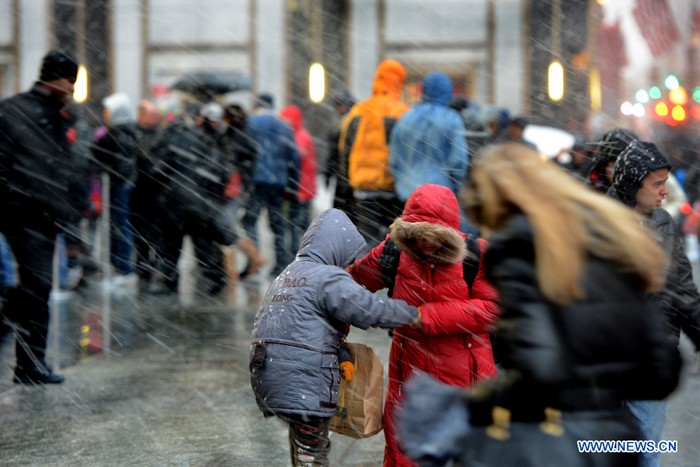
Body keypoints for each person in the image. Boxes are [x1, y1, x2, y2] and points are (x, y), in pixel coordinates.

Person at [440, 143, 681, 466]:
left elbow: (541, 365)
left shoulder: (519, 247)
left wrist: (477, 406)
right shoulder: (605, 233)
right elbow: (661, 368)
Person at [249, 208, 421, 467]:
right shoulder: (328, 277)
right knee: (312, 450)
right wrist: (414, 313)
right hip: (301, 376)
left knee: (303, 438)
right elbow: (368, 310)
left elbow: (301, 325)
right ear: (338, 248)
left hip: (268, 372)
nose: (347, 263)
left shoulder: (289, 273)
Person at [348, 183, 500, 467]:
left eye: (432, 237)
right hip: (408, 375)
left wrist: (425, 316)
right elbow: (352, 283)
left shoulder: (476, 255)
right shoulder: (393, 252)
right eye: (416, 237)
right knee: (401, 450)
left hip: (466, 379)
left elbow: (493, 309)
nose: (424, 245)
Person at [607, 140, 700, 467]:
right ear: (634, 183)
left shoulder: (664, 223)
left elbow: (683, 289)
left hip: (650, 361)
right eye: (657, 183)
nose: (665, 191)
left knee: (646, 453)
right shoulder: (595, 223)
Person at [0, 49, 87, 384]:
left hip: (41, 215)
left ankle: (31, 360)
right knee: (37, 288)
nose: (71, 91)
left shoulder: (56, 116)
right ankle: (30, 363)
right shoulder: (20, 112)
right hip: (26, 214)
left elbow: (64, 168)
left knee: (37, 288)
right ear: (62, 80)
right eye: (70, 83)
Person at [388, 71, 472, 235]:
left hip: (408, 196)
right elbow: (458, 161)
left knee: (409, 247)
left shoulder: (406, 117)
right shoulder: (451, 118)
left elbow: (393, 160)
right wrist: (455, 186)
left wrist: (402, 183)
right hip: (441, 197)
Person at [339, 59, 410, 248]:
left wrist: (345, 183)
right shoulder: (402, 112)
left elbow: (345, 149)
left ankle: (366, 274)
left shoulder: (358, 110)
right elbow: (405, 153)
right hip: (392, 188)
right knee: (392, 243)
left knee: (367, 241)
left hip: (363, 189)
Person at [241, 92, 300, 276]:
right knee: (278, 224)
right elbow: (294, 157)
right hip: (278, 182)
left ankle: (254, 262)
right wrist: (293, 183)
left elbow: (243, 154)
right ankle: (280, 264)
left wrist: (244, 178)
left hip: (256, 181)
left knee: (250, 220)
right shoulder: (284, 126)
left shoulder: (250, 124)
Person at [92, 92, 140, 282]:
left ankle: (123, 266)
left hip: (119, 183)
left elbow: (102, 155)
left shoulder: (118, 133)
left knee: (120, 223)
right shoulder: (126, 131)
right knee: (118, 224)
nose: (105, 114)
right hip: (120, 182)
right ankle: (119, 264)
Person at [279, 105, 317, 257]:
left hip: (301, 189)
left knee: (296, 225)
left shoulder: (299, 137)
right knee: (298, 224)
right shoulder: (300, 135)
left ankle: (297, 256)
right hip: (302, 188)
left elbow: (296, 158)